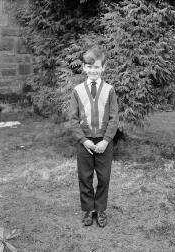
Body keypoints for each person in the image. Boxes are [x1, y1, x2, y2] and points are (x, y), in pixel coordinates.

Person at [69, 46, 119, 227]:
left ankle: (100, 209)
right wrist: (84, 141)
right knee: (85, 177)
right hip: (84, 142)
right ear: (83, 68)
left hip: (104, 142)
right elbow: (73, 120)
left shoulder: (109, 90)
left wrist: (106, 141)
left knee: (104, 177)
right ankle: (88, 210)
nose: (93, 70)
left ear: (103, 68)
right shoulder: (77, 91)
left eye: (97, 67)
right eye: (89, 67)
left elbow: (114, 118)